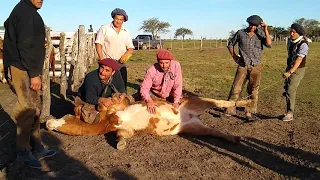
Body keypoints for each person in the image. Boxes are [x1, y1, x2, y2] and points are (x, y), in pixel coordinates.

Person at [3, 0, 56, 168]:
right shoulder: (25, 13)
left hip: (24, 66)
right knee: (27, 108)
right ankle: (23, 151)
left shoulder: (24, 11)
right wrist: (34, 74)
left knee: (34, 107)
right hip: (22, 68)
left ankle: (37, 146)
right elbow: (26, 45)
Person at [225, 15, 272, 121]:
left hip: (256, 66)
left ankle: (249, 112)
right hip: (243, 65)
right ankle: (230, 110)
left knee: (253, 89)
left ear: (258, 26)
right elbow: (230, 44)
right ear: (248, 23)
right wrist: (234, 56)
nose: (252, 27)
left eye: (255, 25)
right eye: (251, 24)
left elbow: (269, 44)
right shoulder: (240, 33)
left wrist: (265, 29)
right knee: (236, 88)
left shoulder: (260, 34)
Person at [77, 58, 127, 124]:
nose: (102, 72)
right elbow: (89, 97)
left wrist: (123, 94)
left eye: (107, 70)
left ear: (113, 72)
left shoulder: (117, 74)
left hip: (109, 97)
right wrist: (102, 100)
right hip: (88, 99)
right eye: (101, 68)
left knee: (127, 101)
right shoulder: (90, 77)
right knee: (92, 118)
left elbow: (121, 87)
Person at [95, 8, 134, 89]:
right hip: (107, 61)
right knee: (104, 84)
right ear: (113, 18)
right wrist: (101, 59)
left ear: (123, 21)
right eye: (117, 19)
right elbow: (98, 44)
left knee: (122, 85)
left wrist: (127, 54)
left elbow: (130, 47)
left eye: (121, 20)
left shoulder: (126, 32)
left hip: (120, 63)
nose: (118, 21)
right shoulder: (104, 28)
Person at [138, 49, 182, 114]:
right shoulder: (151, 70)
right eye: (161, 63)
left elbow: (178, 85)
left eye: (167, 63)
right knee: (146, 108)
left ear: (171, 61)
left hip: (169, 94)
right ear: (158, 62)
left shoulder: (176, 66)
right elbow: (144, 88)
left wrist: (176, 101)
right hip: (154, 94)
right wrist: (149, 100)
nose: (164, 66)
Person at [282, 23, 309, 121]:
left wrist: (290, 72)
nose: (291, 34)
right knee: (287, 88)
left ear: (299, 33)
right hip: (289, 67)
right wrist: (288, 69)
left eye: (293, 32)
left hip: (298, 69)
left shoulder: (303, 44)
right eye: (291, 31)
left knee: (291, 90)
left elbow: (299, 60)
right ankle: (288, 109)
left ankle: (290, 113)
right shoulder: (290, 41)